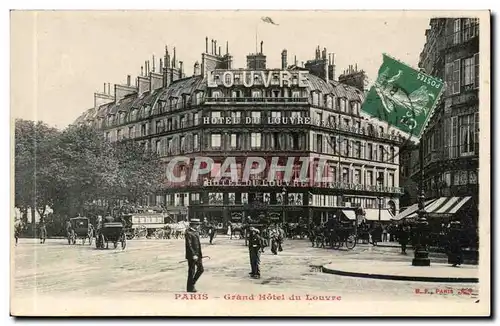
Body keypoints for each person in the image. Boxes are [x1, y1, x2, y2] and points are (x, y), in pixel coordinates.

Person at [185, 219, 204, 292]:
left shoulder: (195, 232)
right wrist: (193, 255)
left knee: (201, 269)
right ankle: (190, 287)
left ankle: (191, 284)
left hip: (198, 254)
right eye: (197, 224)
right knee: (192, 271)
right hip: (192, 255)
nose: (198, 226)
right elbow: (189, 245)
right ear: (193, 225)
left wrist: (199, 254)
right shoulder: (188, 233)